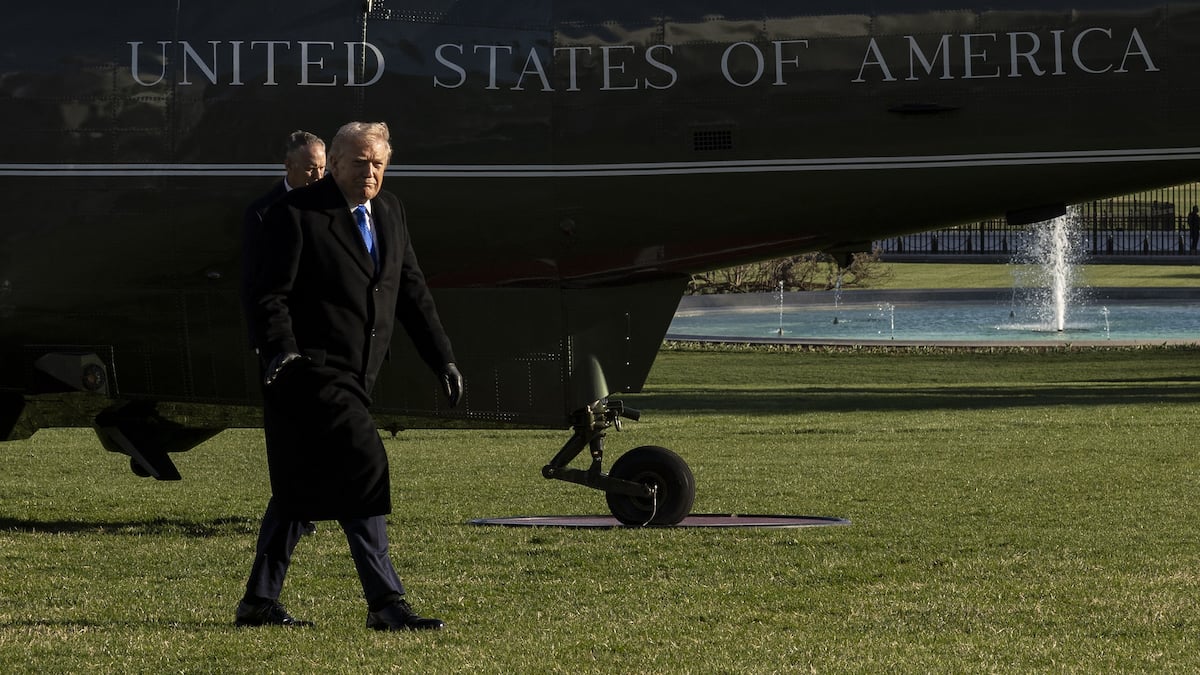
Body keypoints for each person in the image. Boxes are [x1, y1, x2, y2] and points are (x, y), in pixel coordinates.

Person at [236, 121, 464, 631]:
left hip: (360, 373)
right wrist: (282, 353)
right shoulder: (294, 214)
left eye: (378, 163)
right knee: (363, 463)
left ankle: (257, 601)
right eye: (359, 162)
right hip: (310, 371)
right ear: (334, 163)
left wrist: (442, 358)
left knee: (299, 489)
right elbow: (267, 294)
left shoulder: (390, 211)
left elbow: (410, 289)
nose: (370, 172)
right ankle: (386, 603)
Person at [241, 130, 327, 538]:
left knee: (322, 424)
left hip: (324, 336)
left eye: (322, 168)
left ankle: (317, 500)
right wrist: (266, 341)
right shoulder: (263, 213)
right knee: (286, 429)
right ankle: (294, 507)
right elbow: (254, 285)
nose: (317, 175)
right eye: (310, 167)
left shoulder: (336, 209)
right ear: (288, 166)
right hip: (281, 339)